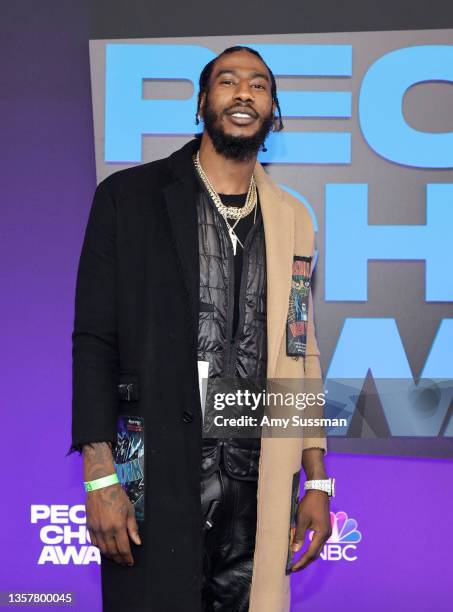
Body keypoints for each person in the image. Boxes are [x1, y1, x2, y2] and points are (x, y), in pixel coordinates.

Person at [69, 45, 334, 612]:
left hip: (257, 490)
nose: (244, 93)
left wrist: (316, 477)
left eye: (259, 85)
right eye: (228, 81)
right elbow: (94, 340)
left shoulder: (294, 218)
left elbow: (298, 347)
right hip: (155, 479)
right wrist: (99, 477)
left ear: (273, 109)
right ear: (201, 102)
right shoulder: (128, 199)